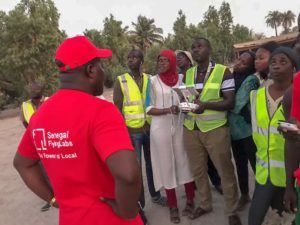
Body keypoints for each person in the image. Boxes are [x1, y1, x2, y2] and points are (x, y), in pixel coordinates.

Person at [13, 36, 143, 225]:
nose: (103, 72)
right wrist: (127, 211)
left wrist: (52, 199)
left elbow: (22, 164)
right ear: (91, 70)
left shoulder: (40, 115)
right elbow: (129, 174)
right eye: (101, 66)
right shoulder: (101, 111)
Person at [183, 37, 241, 225]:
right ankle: (206, 204)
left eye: (199, 46)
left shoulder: (222, 71)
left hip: (215, 129)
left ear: (209, 49)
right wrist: (182, 105)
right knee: (198, 171)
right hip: (191, 128)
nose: (195, 49)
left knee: (225, 170)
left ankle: (232, 210)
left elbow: (230, 102)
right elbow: (188, 99)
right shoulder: (188, 73)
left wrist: (205, 105)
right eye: (193, 47)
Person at [113, 49, 167, 224]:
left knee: (153, 166)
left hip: (150, 129)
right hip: (133, 132)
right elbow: (117, 108)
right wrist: (123, 132)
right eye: (128, 57)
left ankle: (156, 196)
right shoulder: (121, 80)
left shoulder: (150, 79)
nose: (130, 60)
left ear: (141, 61)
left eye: (134, 57)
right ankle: (140, 205)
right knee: (136, 171)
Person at [248, 47, 298, 225]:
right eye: (273, 62)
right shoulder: (255, 96)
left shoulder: (297, 97)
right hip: (264, 173)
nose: (276, 66)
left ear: (294, 68)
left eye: (283, 62)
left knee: (288, 218)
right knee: (254, 219)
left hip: (291, 174)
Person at [146, 50, 195, 224]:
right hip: (160, 129)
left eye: (166, 60)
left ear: (173, 62)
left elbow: (189, 99)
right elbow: (148, 108)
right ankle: (173, 206)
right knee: (166, 165)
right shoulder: (152, 81)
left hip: (180, 126)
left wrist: (186, 106)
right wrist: (168, 110)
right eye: (159, 60)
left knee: (184, 161)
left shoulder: (182, 79)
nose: (161, 63)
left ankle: (190, 200)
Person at [176, 49, 223, 195]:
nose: (179, 59)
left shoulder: (196, 73)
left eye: (182, 57)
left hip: (207, 123)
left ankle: (217, 182)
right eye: (177, 57)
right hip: (190, 122)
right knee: (195, 160)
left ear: (189, 61)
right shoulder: (180, 77)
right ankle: (198, 186)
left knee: (209, 159)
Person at [228, 51, 259, 209]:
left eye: (244, 62)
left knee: (255, 165)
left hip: (248, 131)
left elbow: (236, 103)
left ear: (250, 68)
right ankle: (245, 195)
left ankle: (262, 197)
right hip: (234, 131)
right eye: (239, 59)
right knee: (240, 165)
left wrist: (224, 101)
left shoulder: (251, 79)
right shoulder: (231, 78)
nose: (239, 63)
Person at [20, 81, 52, 212]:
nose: (33, 90)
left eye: (36, 88)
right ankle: (50, 198)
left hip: (53, 141)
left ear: (42, 89)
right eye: (31, 89)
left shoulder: (51, 101)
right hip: (37, 143)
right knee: (42, 172)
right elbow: (24, 122)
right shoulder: (25, 105)